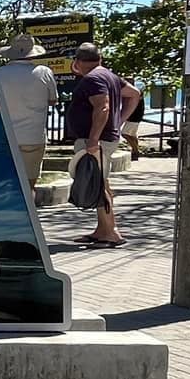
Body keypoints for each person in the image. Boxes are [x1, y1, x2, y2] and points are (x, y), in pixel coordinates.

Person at [67, 42, 132, 247]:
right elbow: (135, 94)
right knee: (102, 182)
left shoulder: (93, 78)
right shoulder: (106, 75)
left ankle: (111, 232)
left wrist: (93, 139)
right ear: (100, 59)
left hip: (96, 140)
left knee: (98, 184)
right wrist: (119, 120)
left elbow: (102, 107)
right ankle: (103, 229)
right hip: (105, 137)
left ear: (77, 61)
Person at [0, 33, 58, 183]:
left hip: (5, 137)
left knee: (6, 183)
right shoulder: (44, 72)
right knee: (29, 186)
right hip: (33, 136)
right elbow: (53, 101)